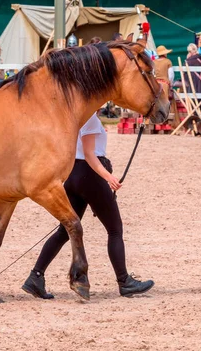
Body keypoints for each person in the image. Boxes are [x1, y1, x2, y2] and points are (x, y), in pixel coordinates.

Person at [22, 113, 154, 300]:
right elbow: (89, 154)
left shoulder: (75, 117)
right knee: (115, 230)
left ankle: (35, 277)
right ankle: (125, 282)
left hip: (73, 175)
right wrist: (109, 177)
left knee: (64, 231)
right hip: (89, 175)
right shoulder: (90, 119)